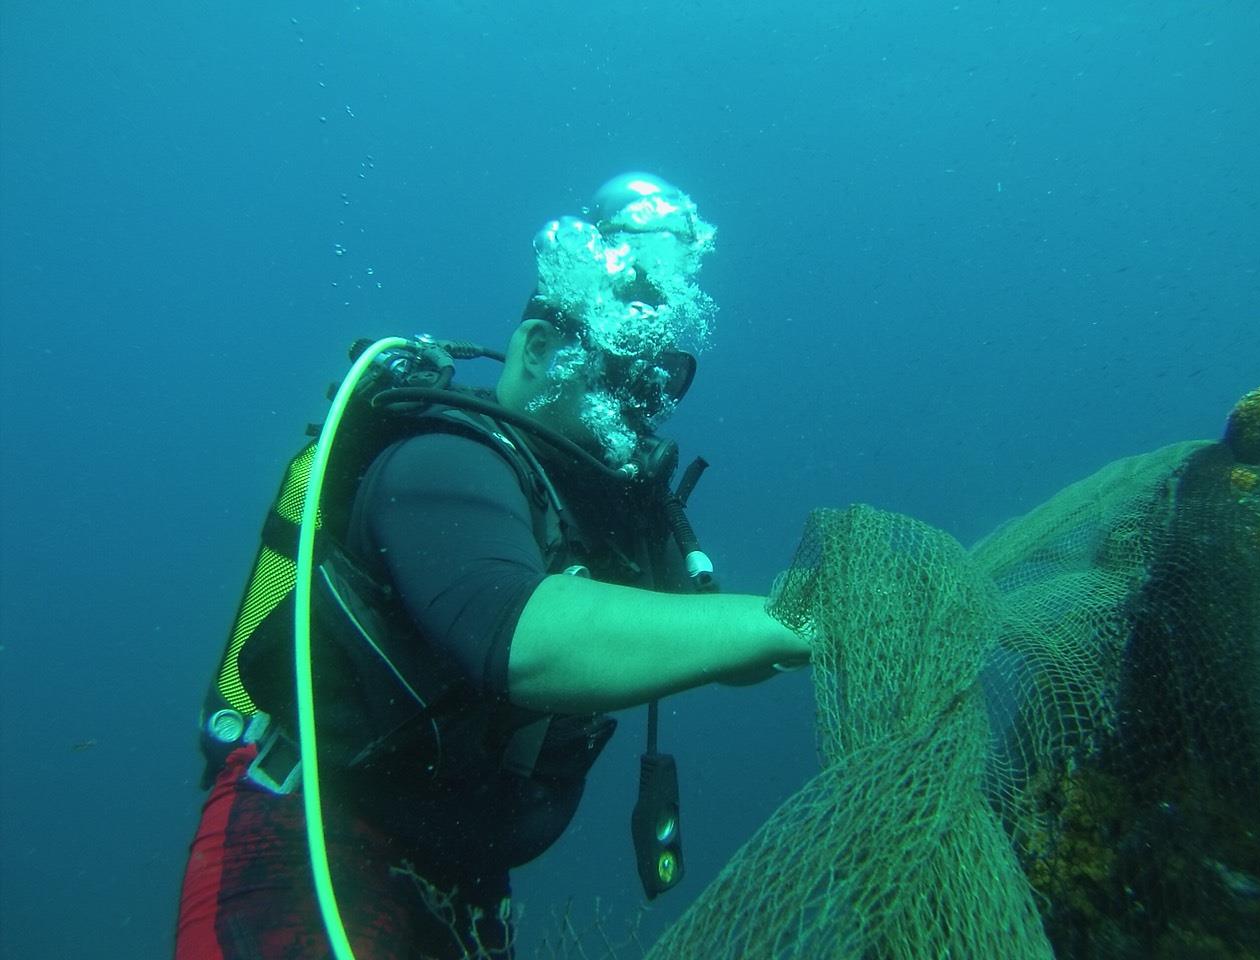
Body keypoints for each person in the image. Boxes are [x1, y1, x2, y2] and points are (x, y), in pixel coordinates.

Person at [174, 173, 809, 959]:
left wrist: (806, 617)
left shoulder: (606, 516)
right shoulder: (443, 463)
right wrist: (783, 622)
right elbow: (527, 641)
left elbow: (718, 635)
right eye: (624, 371)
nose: (644, 402)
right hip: (308, 838)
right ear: (542, 349)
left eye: (661, 381)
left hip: (467, 890)